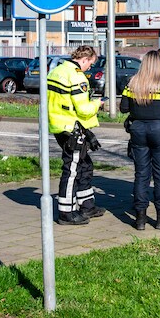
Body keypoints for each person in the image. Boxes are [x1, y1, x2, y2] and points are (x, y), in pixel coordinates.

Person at [121, 50, 160, 230]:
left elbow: (124, 108)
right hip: (159, 130)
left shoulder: (132, 83)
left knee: (141, 174)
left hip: (138, 130)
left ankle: (140, 218)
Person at [47, 45, 105, 226]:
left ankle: (87, 205)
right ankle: (66, 213)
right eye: (91, 64)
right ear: (85, 59)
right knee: (72, 170)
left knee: (85, 164)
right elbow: (84, 109)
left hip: (60, 124)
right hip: (72, 127)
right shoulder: (77, 76)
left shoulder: (56, 71)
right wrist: (98, 103)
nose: (90, 68)